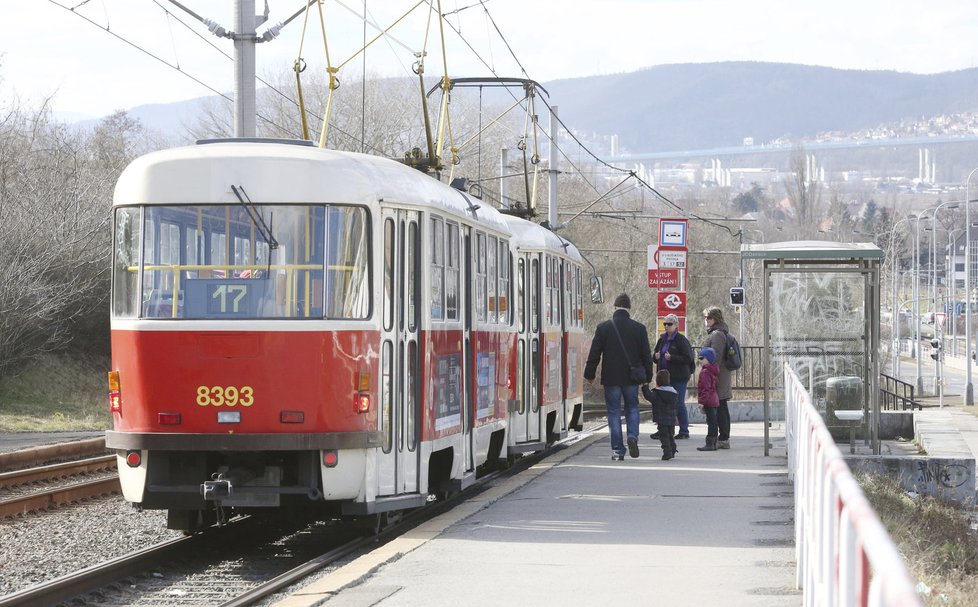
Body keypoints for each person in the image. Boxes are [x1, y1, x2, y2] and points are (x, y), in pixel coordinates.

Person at [585, 293, 654, 461]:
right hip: (632, 378)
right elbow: (646, 355)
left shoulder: (604, 327)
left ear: (615, 307)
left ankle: (617, 450)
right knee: (632, 408)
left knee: (614, 412)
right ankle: (632, 437)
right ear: (629, 308)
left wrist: (590, 374)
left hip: (611, 378)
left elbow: (595, 353)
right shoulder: (639, 328)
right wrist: (648, 376)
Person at [650, 312, 695, 441]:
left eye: (669, 324)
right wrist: (655, 357)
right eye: (665, 324)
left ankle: (684, 430)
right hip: (664, 378)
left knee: (678, 403)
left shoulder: (681, 340)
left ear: (676, 325)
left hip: (678, 377)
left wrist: (672, 358)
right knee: (662, 404)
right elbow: (655, 354)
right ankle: (663, 430)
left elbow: (688, 358)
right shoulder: (662, 339)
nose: (666, 326)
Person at [702, 306, 734, 449]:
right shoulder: (719, 333)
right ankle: (723, 438)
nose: (706, 320)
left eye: (709, 317)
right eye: (705, 317)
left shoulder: (717, 335)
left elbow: (715, 356)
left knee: (720, 405)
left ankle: (723, 438)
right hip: (719, 374)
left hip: (717, 375)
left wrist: (708, 371)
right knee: (721, 405)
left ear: (716, 319)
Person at [648, 369, 678, 460]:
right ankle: (673, 449)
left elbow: (649, 397)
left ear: (658, 380)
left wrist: (645, 387)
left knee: (663, 437)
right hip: (671, 419)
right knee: (670, 435)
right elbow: (677, 406)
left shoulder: (657, 393)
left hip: (661, 419)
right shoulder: (674, 393)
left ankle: (667, 452)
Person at [695, 347, 720, 451]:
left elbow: (705, 389)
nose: (699, 360)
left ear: (708, 359)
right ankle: (713, 443)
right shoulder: (713, 370)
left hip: (708, 400)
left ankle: (710, 443)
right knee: (713, 422)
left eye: (702, 358)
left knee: (711, 422)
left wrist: (701, 402)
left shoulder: (705, 372)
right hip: (714, 399)